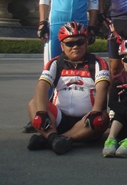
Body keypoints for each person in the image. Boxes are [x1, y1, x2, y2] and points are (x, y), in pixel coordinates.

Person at [27, 22, 110, 155]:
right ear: (62, 46)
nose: (75, 47)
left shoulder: (98, 63)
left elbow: (102, 88)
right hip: (59, 119)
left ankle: (52, 139)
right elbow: (42, 86)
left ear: (86, 43)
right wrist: (42, 112)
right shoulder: (55, 63)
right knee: (33, 103)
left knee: (104, 116)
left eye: (80, 42)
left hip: (86, 120)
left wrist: (95, 111)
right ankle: (56, 139)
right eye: (70, 44)